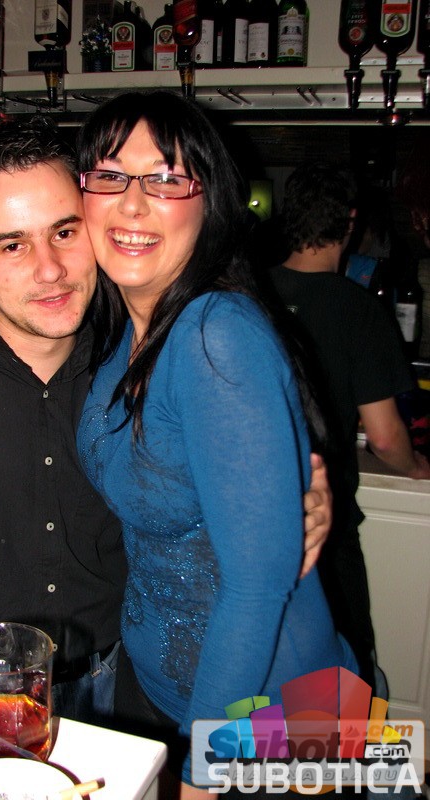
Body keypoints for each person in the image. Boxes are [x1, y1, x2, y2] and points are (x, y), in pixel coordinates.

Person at [0, 119, 330, 728]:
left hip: (119, 690)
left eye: (64, 232)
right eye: (12, 245)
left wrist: (293, 496)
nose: (50, 269)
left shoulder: (141, 361)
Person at [75, 91, 356, 798]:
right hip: (166, 692)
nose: (132, 203)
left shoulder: (213, 334)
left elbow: (258, 587)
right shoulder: (126, 327)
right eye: (110, 175)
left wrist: (202, 778)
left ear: (211, 205)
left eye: (167, 178)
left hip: (277, 721)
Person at [266, 163, 430, 693]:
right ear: (350, 222)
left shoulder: (247, 295)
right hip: (327, 533)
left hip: (253, 527)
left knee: (268, 679)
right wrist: (417, 466)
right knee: (348, 678)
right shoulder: (359, 310)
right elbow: (384, 437)